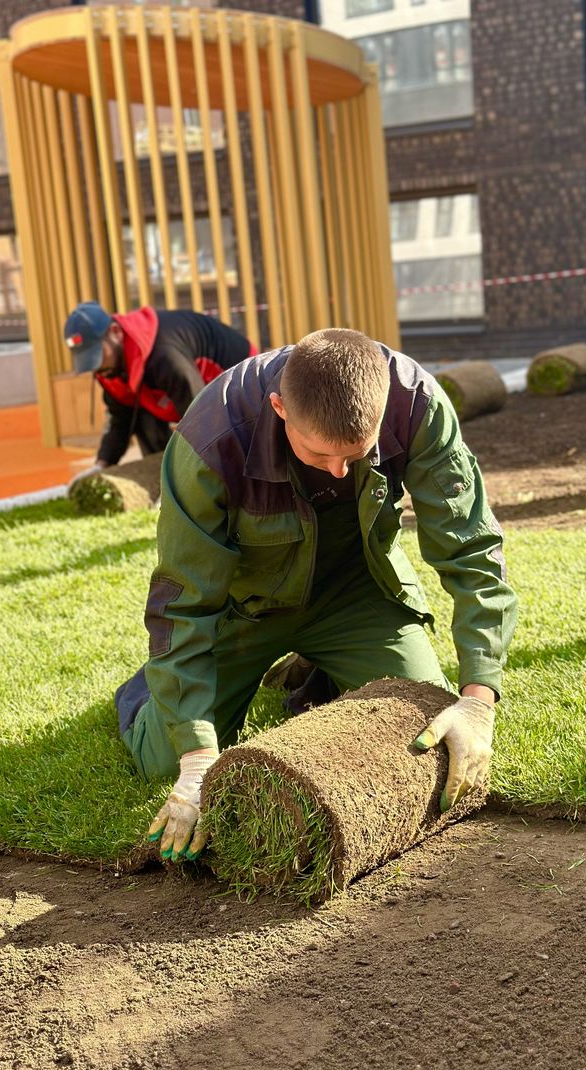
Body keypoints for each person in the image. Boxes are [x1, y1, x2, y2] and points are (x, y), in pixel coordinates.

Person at [114, 328, 518, 863]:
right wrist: (194, 755)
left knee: (425, 728)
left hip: (357, 591)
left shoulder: (416, 404)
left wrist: (478, 701)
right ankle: (149, 689)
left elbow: (473, 553)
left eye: (357, 454)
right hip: (245, 607)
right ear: (279, 408)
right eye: (320, 452)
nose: (338, 471)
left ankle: (318, 669)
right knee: (165, 759)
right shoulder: (211, 439)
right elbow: (183, 602)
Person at [63, 301, 256, 472]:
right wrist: (102, 463)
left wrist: (188, 477)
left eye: (98, 354)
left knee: (219, 446)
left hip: (238, 381)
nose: (96, 366)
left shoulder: (164, 357)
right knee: (141, 414)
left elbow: (198, 416)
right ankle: (159, 473)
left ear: (116, 332)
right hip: (191, 390)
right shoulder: (108, 367)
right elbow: (121, 417)